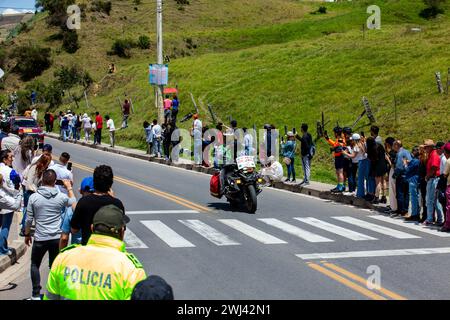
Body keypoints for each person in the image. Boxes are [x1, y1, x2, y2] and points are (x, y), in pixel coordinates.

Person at [45, 204, 146, 300]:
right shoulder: (131, 269)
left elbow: (50, 297)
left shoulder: (64, 258)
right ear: (121, 232)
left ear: (92, 228)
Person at [24, 170, 76, 300]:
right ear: (55, 182)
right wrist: (69, 188)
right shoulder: (61, 197)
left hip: (40, 238)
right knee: (54, 266)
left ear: (42, 180)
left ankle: (36, 294)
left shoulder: (34, 197)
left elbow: (28, 219)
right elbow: (73, 202)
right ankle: (54, 293)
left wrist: (27, 234)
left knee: (35, 264)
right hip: (56, 238)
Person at [70, 165, 125, 245]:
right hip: (110, 250)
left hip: (89, 248)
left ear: (94, 182)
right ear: (111, 184)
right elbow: (122, 230)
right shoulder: (117, 204)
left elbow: (74, 229)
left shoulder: (83, 202)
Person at [60, 177, 94, 249]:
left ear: (80, 191)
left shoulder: (70, 211)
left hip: (76, 251)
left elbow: (64, 238)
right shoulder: (101, 209)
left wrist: (61, 255)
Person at [0, 172, 22, 256]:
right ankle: (2, 250)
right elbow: (15, 206)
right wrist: (19, 193)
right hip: (7, 209)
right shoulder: (1, 197)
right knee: (5, 227)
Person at [423, 139, 443, 226]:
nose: (425, 149)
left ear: (431, 147)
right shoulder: (432, 154)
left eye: (426, 147)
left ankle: (430, 219)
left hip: (433, 178)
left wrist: (427, 176)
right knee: (434, 200)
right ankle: (439, 219)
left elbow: (434, 167)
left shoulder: (434, 154)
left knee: (430, 200)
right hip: (434, 178)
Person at [366, 137, 388, 204]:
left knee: (377, 183)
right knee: (384, 181)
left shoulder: (371, 149)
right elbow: (384, 154)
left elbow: (370, 158)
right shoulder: (380, 145)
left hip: (376, 166)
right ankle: (384, 197)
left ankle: (376, 197)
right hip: (383, 164)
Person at [324, 126, 346, 193]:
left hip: (340, 157)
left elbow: (342, 147)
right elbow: (335, 144)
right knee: (338, 172)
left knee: (340, 172)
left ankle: (341, 187)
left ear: (336, 133)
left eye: (334, 132)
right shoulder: (338, 139)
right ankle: (339, 185)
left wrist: (334, 149)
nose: (334, 134)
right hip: (337, 157)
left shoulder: (341, 139)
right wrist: (327, 139)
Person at [393, 140, 412, 213]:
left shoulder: (399, 153)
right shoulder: (407, 151)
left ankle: (400, 210)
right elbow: (410, 161)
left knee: (400, 193)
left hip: (401, 175)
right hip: (407, 175)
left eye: (393, 145)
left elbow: (399, 167)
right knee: (406, 193)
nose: (393, 147)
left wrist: (394, 176)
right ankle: (405, 209)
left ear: (396, 145)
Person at [403, 146, 420, 221]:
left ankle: (414, 214)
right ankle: (416, 213)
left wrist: (405, 164)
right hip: (416, 180)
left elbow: (407, 170)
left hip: (413, 180)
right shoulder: (418, 160)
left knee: (413, 198)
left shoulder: (415, 161)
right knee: (416, 198)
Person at [384, 137, 397, 213]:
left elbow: (393, 164)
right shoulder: (392, 152)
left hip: (394, 171)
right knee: (392, 189)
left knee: (392, 189)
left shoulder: (392, 152)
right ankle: (392, 205)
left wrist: (387, 159)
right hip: (392, 171)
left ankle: (394, 207)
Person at [439, 142, 450, 232]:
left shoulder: (448, 161)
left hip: (449, 185)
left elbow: (445, 174)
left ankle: (447, 224)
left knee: (448, 206)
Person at [418, 145, 429, 222]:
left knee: (425, 198)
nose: (419, 150)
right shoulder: (421, 157)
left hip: (424, 180)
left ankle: (425, 215)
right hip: (421, 179)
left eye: (421, 148)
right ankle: (424, 214)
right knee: (423, 198)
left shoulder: (425, 158)